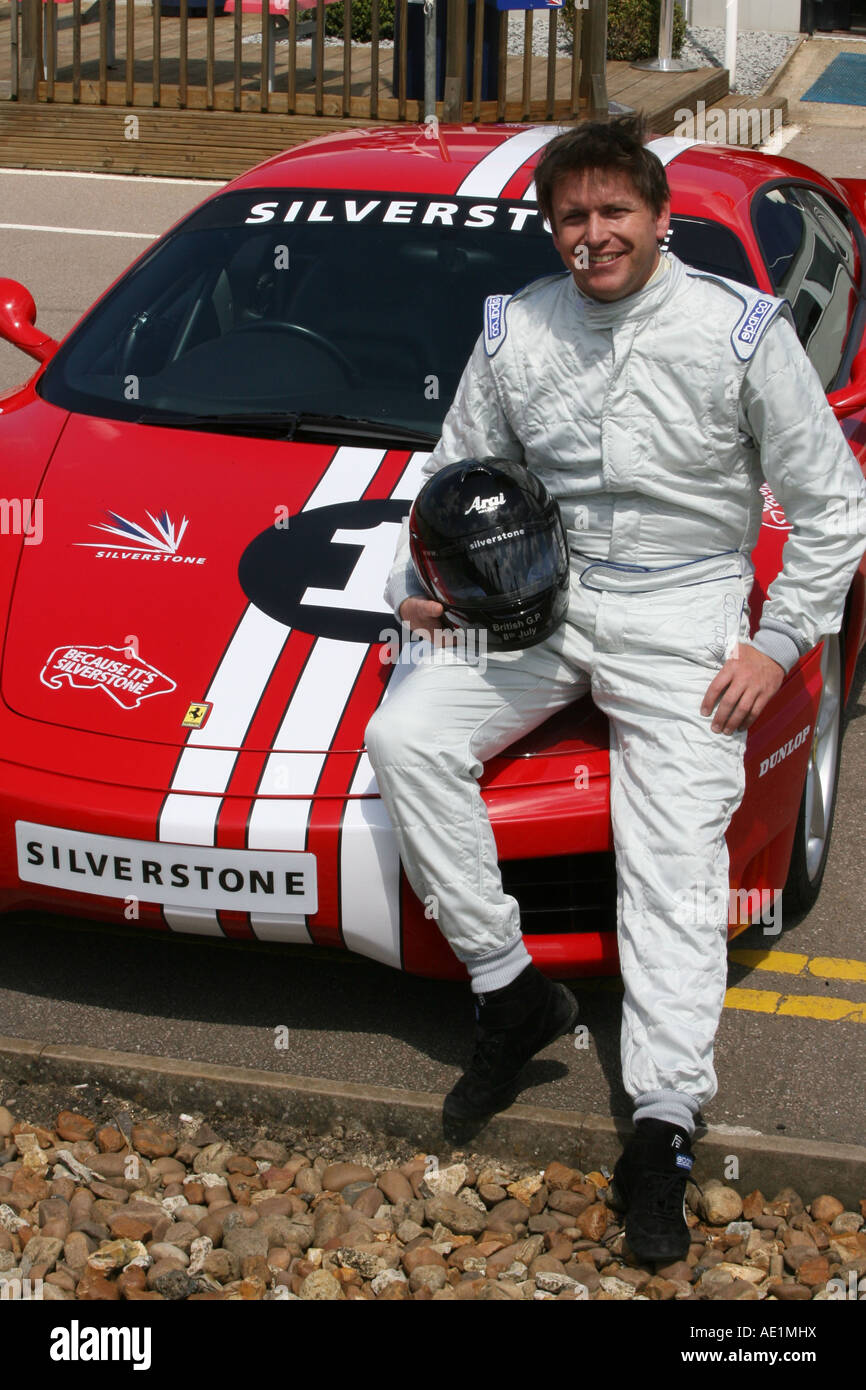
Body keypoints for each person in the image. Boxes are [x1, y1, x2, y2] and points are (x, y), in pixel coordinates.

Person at [364, 115, 866, 1263]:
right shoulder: (514, 327)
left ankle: (661, 1122)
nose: (590, 235)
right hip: (533, 601)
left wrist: (776, 639)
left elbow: (833, 504)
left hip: (685, 611)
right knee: (404, 741)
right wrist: (423, 582)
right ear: (550, 229)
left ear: (658, 219)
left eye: (612, 214)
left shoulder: (737, 331)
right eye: (569, 217)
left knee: (672, 861)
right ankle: (508, 990)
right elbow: (454, 474)